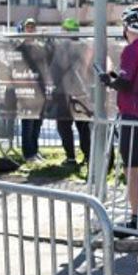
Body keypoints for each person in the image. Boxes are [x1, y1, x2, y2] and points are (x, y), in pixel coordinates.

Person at [101, 6, 138, 234]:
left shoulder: (130, 50)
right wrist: (115, 79)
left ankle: (136, 219)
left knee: (132, 170)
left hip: (132, 115)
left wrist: (108, 80)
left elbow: (126, 84)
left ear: (126, 27)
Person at [51, 17, 92, 168]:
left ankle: (70, 157)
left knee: (64, 126)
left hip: (63, 92)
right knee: (83, 127)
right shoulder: (84, 47)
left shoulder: (61, 48)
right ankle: (88, 155)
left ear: (65, 31)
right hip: (82, 91)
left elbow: (55, 70)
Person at [17, 18, 44, 163]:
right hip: (26, 90)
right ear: (24, 29)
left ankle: (35, 150)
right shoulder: (19, 47)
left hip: (39, 90)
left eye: (32, 27)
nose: (30, 29)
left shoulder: (40, 47)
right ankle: (28, 154)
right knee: (27, 123)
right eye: (28, 27)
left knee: (37, 123)